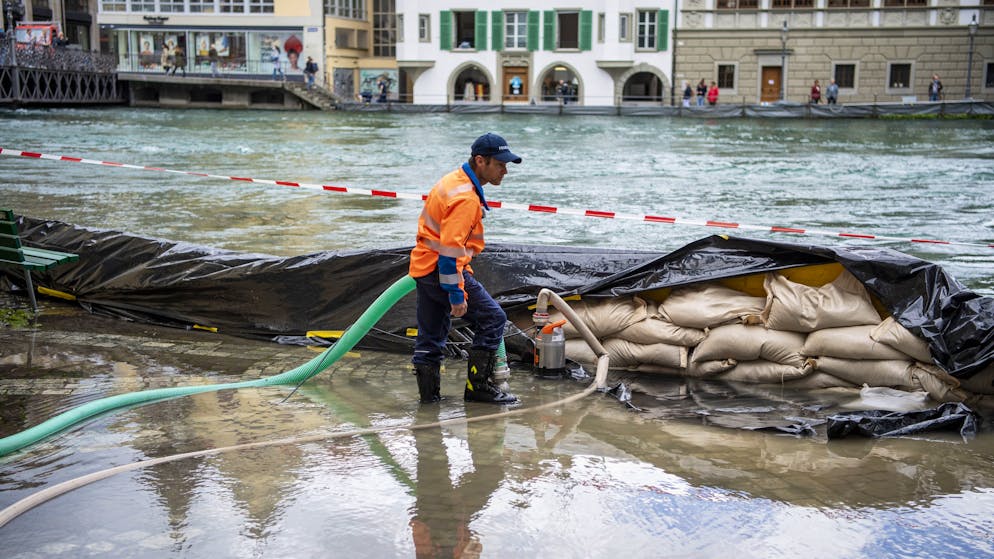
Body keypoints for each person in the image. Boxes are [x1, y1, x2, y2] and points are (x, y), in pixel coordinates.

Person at [409, 132, 522, 405]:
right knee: (493, 318)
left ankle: (429, 401)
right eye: (500, 164)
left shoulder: (454, 181)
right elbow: (449, 252)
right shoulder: (465, 199)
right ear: (480, 161)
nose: (505, 171)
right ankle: (478, 388)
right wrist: (456, 293)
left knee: (431, 337)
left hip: (425, 267)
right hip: (441, 270)